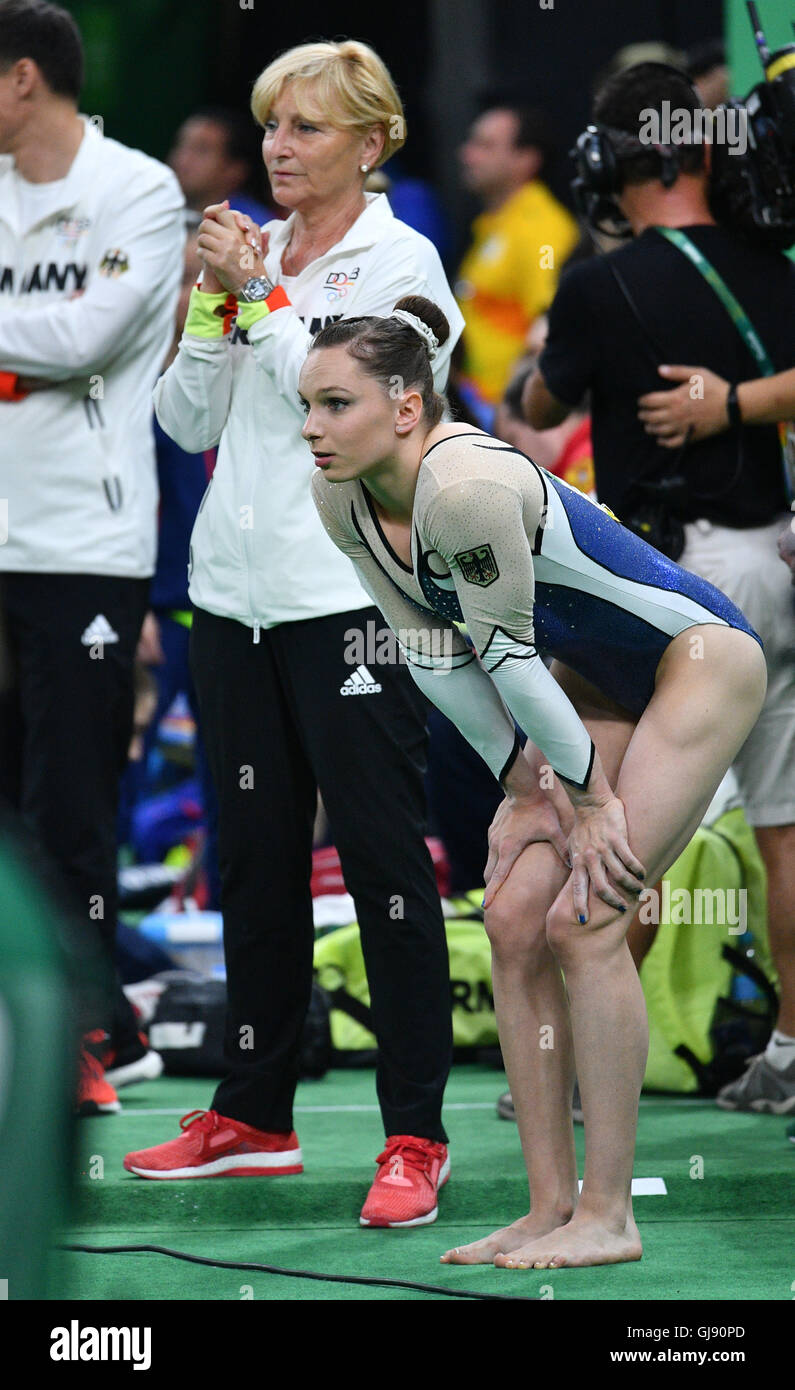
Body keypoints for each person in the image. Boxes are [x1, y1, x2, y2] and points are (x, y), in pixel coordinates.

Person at [306, 293, 766, 1268]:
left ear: (404, 405)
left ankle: (612, 1214)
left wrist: (588, 799)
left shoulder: (463, 484)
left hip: (698, 658)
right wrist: (524, 783)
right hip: (589, 679)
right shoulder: (340, 495)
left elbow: (509, 658)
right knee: (515, 918)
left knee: (586, 917)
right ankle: (549, 1204)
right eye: (305, 406)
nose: (311, 428)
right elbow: (435, 653)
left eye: (335, 404)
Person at [123, 39, 466, 1231]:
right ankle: (253, 1115)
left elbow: (347, 402)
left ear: (370, 145)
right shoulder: (250, 257)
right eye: (273, 124)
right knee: (253, 866)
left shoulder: (406, 261)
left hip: (353, 602)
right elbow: (185, 415)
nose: (279, 146)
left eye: (308, 128)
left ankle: (414, 1136)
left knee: (383, 866)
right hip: (234, 596)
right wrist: (215, 306)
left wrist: (260, 296)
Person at [524, 62, 795, 1115]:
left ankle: (589, 1059)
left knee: (618, 819)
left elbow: (545, 399)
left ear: (611, 162)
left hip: (675, 587)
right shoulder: (775, 260)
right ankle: (785, 1049)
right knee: (781, 825)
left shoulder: (599, 283)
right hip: (776, 556)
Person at [0, 0, 184, 1112]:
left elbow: (85, 340)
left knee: (72, 798)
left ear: (23, 80)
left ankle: (87, 1035)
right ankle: (77, 1016)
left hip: (85, 542)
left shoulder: (139, 190)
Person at [454, 103, 578, 407]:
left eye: (485, 145)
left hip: (510, 415)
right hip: (480, 403)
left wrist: (519, 415)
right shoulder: (497, 224)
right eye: (472, 142)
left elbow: (551, 327)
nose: (467, 155)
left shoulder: (541, 230)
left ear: (526, 160)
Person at [168, 106, 273, 229]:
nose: (182, 159)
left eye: (201, 150)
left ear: (235, 170)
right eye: (181, 145)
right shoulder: (158, 208)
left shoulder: (256, 227)